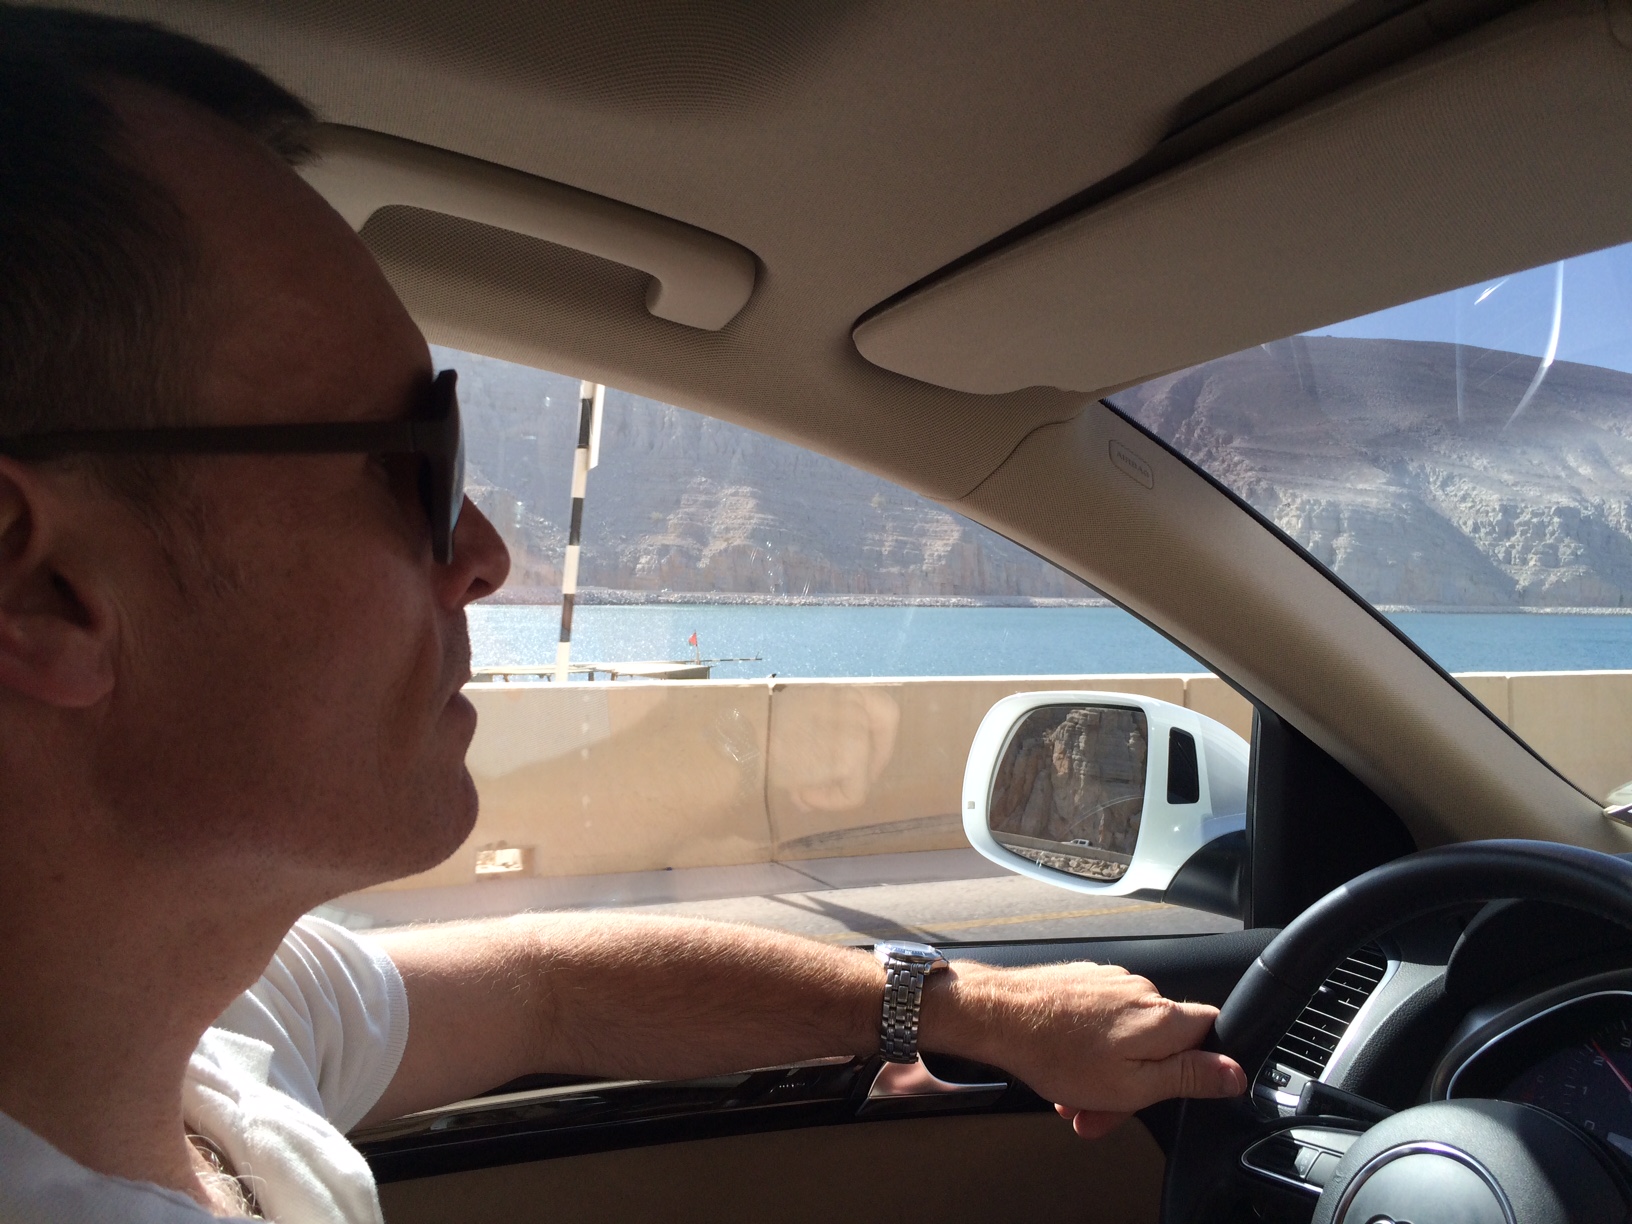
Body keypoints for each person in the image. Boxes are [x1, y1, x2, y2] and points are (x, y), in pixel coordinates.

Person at [0, 7, 1247, 1221]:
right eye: (411, 463)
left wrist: (976, 1012)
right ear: (37, 587)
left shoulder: (202, 1020)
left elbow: (549, 987)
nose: (484, 557)